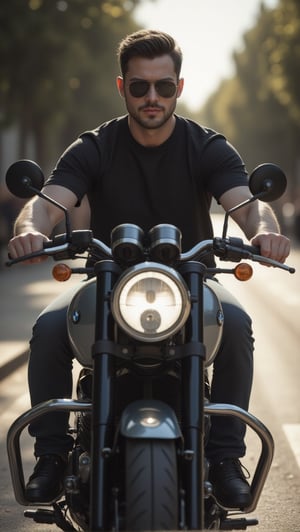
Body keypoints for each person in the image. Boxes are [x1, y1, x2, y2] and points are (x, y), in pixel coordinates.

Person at [8, 29, 290, 509]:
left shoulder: (206, 146)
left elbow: (248, 204)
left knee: (238, 324)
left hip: (192, 282)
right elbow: (45, 204)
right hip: (104, 281)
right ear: (123, 88)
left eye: (163, 86)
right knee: (50, 327)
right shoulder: (95, 146)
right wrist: (28, 230)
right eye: (140, 87)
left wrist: (265, 229)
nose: (152, 97)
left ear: (179, 86)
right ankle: (52, 455)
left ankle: (224, 458)